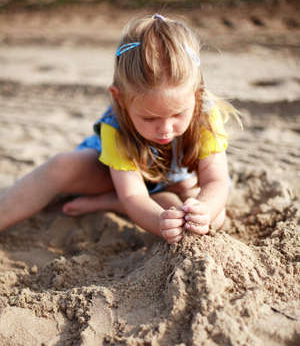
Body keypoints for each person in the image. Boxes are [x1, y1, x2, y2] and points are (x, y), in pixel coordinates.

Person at [0, 14, 239, 244]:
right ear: (121, 99)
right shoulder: (116, 126)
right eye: (149, 118)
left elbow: (216, 181)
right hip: (119, 179)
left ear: (196, 96)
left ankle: (114, 203)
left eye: (178, 114)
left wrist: (203, 211)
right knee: (60, 166)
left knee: (212, 218)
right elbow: (133, 196)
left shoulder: (205, 116)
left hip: (173, 180)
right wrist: (158, 222)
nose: (165, 129)